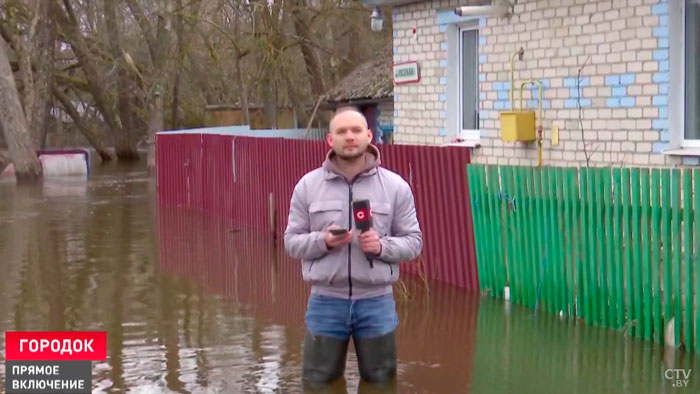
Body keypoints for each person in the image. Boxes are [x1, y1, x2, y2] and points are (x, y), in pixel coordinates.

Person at [284, 106, 423, 386]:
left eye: (356, 130)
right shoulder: (308, 186)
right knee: (318, 382)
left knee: (381, 381)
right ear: (329, 139)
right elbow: (291, 242)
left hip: (377, 301)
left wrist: (382, 247)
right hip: (325, 301)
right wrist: (322, 241)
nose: (350, 137)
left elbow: (414, 242)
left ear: (369, 136)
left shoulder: (396, 187)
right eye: (342, 131)